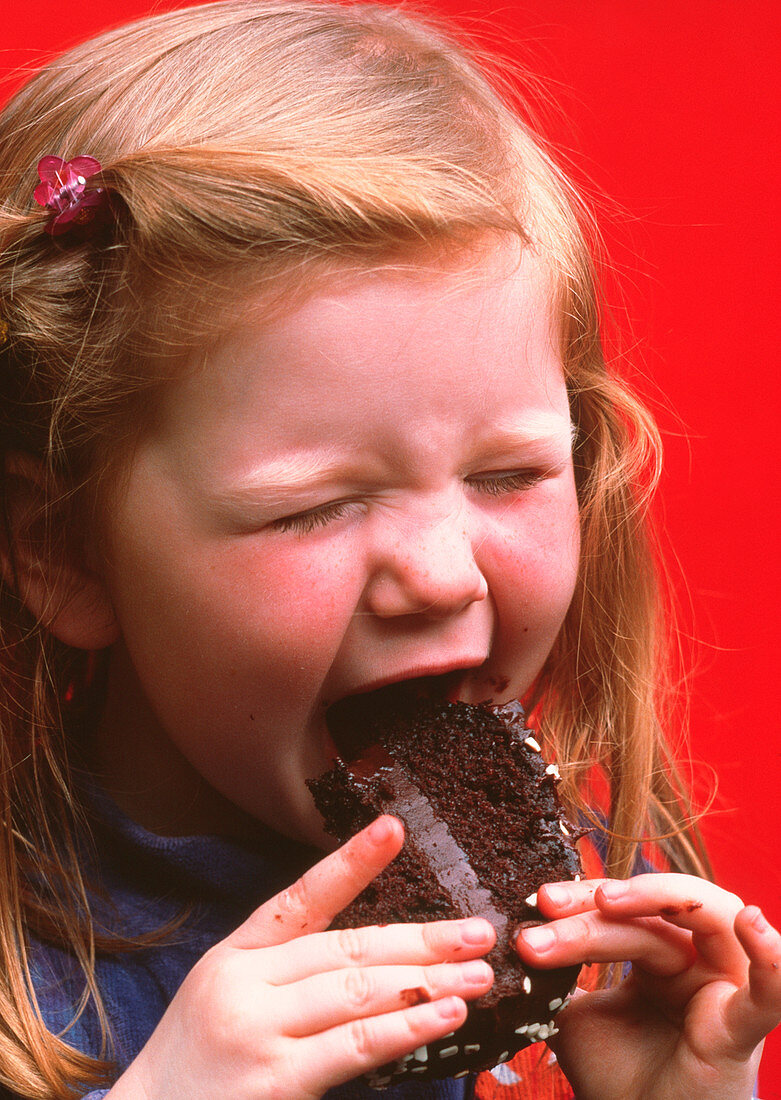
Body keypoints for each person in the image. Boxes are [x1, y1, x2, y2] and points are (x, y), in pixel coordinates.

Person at [0, 2, 778, 1098]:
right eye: (312, 507)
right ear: (65, 549)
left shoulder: (570, 901)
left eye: (507, 475)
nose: (444, 572)